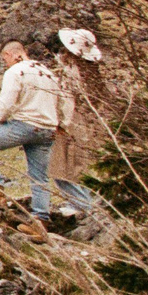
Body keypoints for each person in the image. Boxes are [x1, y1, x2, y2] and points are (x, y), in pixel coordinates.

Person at [0, 38, 61, 232]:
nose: (6, 63)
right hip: (48, 128)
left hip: (25, 125)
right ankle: (40, 222)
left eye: (5, 60)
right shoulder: (48, 72)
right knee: (39, 177)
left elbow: (7, 102)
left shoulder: (15, 71)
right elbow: (61, 101)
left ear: (8, 55)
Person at [47, 27, 106, 220]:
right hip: (87, 125)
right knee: (76, 168)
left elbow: (68, 103)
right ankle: (83, 203)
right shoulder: (91, 74)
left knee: (63, 169)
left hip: (73, 126)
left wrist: (60, 124)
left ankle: (84, 206)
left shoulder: (72, 74)